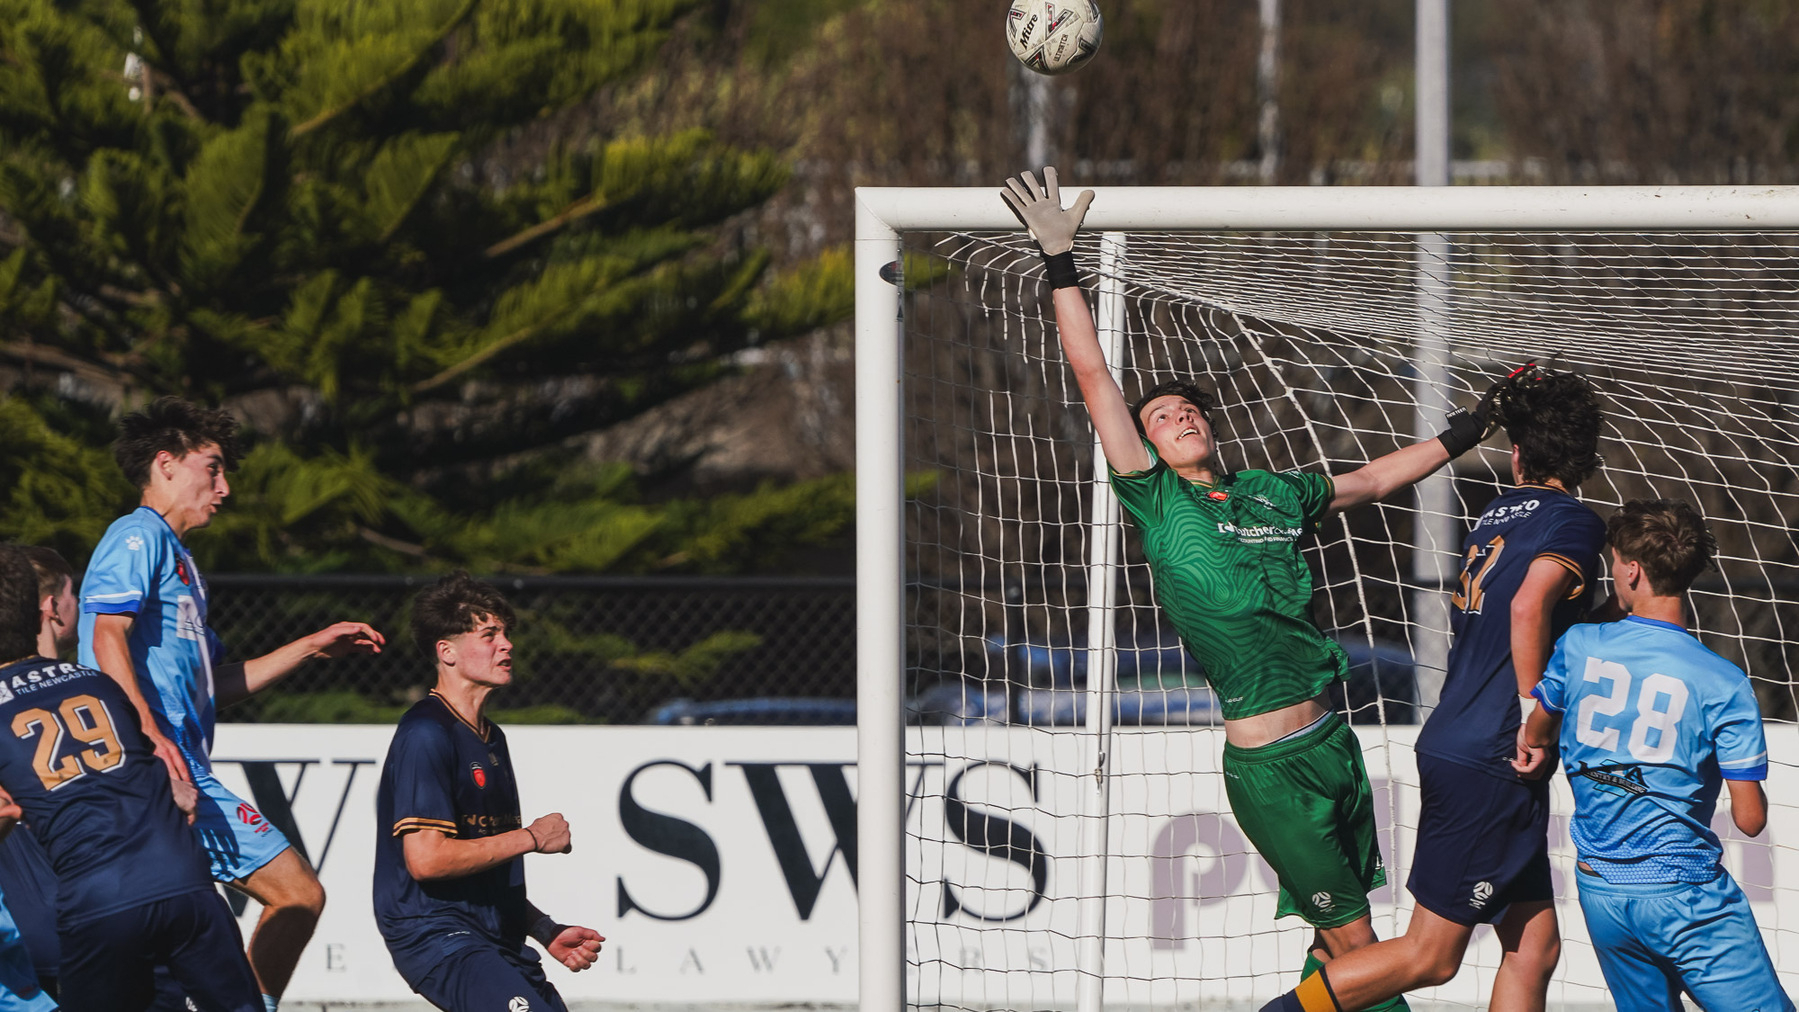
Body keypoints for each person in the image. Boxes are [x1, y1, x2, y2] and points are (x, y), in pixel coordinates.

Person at [1001, 168, 1504, 1010]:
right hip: (1270, 769)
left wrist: (1467, 429)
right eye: (1159, 417)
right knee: (1369, 953)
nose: (1177, 419)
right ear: (1146, 448)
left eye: (1187, 411)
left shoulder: (1271, 491)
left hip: (1336, 746)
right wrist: (1060, 261)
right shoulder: (1156, 500)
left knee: (1334, 945)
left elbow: (1375, 481)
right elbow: (1093, 376)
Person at [1260, 368, 1607, 1012]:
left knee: (1534, 948)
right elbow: (1529, 607)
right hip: (1497, 752)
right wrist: (1536, 711)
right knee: (1431, 956)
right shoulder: (1576, 523)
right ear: (1586, 457)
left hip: (1464, 738)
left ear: (1517, 455)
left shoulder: (1494, 515)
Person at [77, 397, 385, 1011]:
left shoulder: (184, 563)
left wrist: (311, 647)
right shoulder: (138, 535)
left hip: (182, 771)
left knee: (271, 907)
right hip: (154, 772)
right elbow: (105, 633)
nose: (225, 486)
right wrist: (149, 739)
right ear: (165, 464)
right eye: (212, 468)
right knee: (292, 895)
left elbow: (220, 682)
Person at [1524, 500, 1792, 1012]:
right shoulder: (1723, 681)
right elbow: (1750, 820)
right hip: (1685, 896)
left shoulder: (1580, 645)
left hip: (1601, 890)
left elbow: (1536, 731)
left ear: (1632, 569)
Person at [0, 544, 262, 1011]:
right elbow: (162, 784)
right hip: (184, 881)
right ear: (41, 613)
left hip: (99, 901)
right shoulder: (95, 682)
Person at [374, 573, 603, 1012]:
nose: (507, 645)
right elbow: (427, 860)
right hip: (436, 934)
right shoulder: (425, 733)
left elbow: (484, 864)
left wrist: (544, 929)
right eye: (489, 634)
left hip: (496, 936)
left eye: (506, 633)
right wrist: (533, 838)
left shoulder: (490, 739)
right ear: (447, 652)